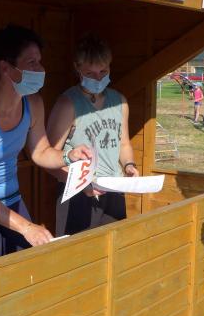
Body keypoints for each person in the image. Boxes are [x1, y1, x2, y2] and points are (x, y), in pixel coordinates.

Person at [0, 25, 91, 260]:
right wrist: (27, 227)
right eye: (32, 62)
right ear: (5, 68)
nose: (40, 69)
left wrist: (68, 156)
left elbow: (41, 151)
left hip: (11, 197)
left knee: (29, 264)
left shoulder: (33, 104)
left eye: (39, 62)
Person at [45, 34, 139, 236]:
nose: (97, 78)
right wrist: (79, 183)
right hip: (79, 194)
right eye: (90, 73)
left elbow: (124, 144)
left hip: (113, 188)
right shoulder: (68, 104)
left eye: (103, 71)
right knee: (78, 252)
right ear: (77, 69)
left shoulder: (119, 101)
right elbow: (48, 157)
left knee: (114, 247)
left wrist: (129, 166)